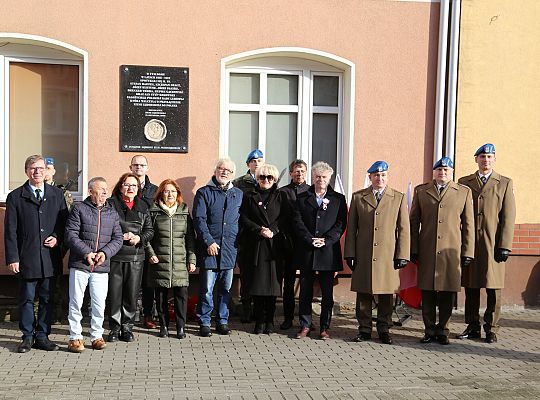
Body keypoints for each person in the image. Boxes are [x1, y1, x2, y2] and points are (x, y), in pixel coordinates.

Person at [4, 155, 68, 353]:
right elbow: (10, 231)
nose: (37, 172)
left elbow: (65, 224)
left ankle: (42, 336)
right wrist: (13, 258)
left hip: (49, 257)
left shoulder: (57, 195)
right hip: (27, 257)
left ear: (47, 171)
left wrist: (57, 237)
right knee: (27, 298)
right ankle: (27, 336)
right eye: (33, 168)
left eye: (40, 168)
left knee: (48, 298)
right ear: (26, 171)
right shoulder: (15, 196)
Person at [410, 156, 475, 345]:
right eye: (439, 170)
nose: (442, 173)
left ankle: (443, 330)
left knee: (447, 292)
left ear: (451, 172)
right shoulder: (422, 191)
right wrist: (414, 248)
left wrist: (467, 252)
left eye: (446, 170)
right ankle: (429, 330)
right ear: (434, 172)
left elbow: (469, 224)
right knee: (428, 292)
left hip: (450, 252)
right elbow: (414, 222)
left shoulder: (462, 192)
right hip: (427, 250)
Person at [344, 161, 410, 345]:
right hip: (363, 253)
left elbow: (403, 229)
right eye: (376, 175)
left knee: (386, 295)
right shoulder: (358, 197)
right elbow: (352, 229)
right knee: (363, 294)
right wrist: (350, 253)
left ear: (387, 177)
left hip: (387, 255)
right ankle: (364, 329)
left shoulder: (398, 197)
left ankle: (384, 329)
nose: (380, 178)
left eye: (383, 175)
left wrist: (402, 255)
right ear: (370, 177)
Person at [457, 144, 516, 343]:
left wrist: (505, 245)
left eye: (490, 157)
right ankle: (473, 326)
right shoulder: (464, 183)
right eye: (482, 156)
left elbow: (508, 216)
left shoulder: (504, 183)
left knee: (494, 288)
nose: (486, 160)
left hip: (493, 244)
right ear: (476, 160)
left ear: (494, 160)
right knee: (471, 287)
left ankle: (491, 328)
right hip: (471, 244)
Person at [64, 177, 123, 352]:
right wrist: (86, 253)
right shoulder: (79, 209)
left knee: (99, 303)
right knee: (76, 302)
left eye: (106, 189)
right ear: (91, 191)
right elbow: (71, 234)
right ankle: (75, 337)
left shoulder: (112, 213)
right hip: (81, 264)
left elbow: (118, 238)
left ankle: (96, 335)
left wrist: (105, 253)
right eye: (101, 189)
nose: (105, 192)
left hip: (101, 266)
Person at [293, 161, 347, 340]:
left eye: (324, 177)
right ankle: (305, 325)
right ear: (313, 177)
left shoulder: (338, 199)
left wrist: (327, 240)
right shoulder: (302, 198)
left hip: (328, 252)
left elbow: (341, 224)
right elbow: (297, 221)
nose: (320, 180)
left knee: (327, 294)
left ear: (329, 178)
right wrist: (309, 239)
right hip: (307, 251)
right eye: (317, 176)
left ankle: (324, 327)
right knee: (305, 292)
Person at [193, 158, 243, 337]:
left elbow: (241, 221)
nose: (224, 172)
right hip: (210, 249)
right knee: (206, 289)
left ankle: (222, 321)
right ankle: (204, 321)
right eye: (221, 169)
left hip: (229, 250)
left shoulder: (238, 194)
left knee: (226, 289)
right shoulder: (204, 192)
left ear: (233, 174)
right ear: (215, 171)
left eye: (228, 170)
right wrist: (208, 241)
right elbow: (199, 219)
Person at [240, 164, 290, 334]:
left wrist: (273, 230)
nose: (266, 180)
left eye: (269, 177)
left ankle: (270, 321)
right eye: (262, 177)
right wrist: (258, 229)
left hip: (275, 246)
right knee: (259, 285)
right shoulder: (249, 196)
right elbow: (244, 217)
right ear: (258, 179)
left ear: (275, 179)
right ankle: (259, 321)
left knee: (273, 286)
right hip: (257, 245)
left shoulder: (281, 196)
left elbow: (285, 218)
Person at [146, 179, 197, 339]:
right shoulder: (153, 211)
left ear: (178, 194)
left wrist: (192, 260)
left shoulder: (183, 211)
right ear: (161, 193)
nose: (170, 194)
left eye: (173, 191)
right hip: (159, 262)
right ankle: (164, 327)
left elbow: (190, 239)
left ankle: (180, 328)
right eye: (166, 191)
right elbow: (146, 236)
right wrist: (150, 253)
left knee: (181, 296)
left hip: (180, 262)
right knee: (160, 296)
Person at [107, 173, 154, 342]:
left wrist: (140, 238)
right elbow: (105, 227)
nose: (130, 188)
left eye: (134, 186)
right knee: (114, 294)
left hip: (135, 257)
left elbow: (150, 230)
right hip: (115, 256)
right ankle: (114, 328)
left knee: (131, 294)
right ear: (120, 187)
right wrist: (122, 236)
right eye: (127, 185)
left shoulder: (143, 205)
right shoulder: (111, 204)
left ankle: (127, 328)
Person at [233, 149, 264, 323]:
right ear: (248, 164)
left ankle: (259, 310)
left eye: (260, 160)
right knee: (246, 274)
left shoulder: (267, 180)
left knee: (260, 273)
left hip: (261, 236)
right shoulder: (239, 183)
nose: (257, 163)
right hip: (245, 234)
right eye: (253, 160)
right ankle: (246, 309)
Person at [278, 159, 309, 330]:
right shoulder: (282, 192)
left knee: (306, 282)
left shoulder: (311, 192)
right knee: (288, 283)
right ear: (291, 173)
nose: (299, 174)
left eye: (302, 171)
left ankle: (306, 320)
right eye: (296, 171)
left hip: (305, 244)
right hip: (287, 243)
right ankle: (288, 318)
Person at [129, 155, 159, 330]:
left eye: (142, 165)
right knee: (130, 283)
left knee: (148, 283)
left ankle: (148, 315)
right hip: (128, 242)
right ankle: (129, 317)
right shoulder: (123, 187)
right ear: (130, 167)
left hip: (148, 241)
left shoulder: (154, 190)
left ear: (147, 168)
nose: (139, 167)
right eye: (135, 165)